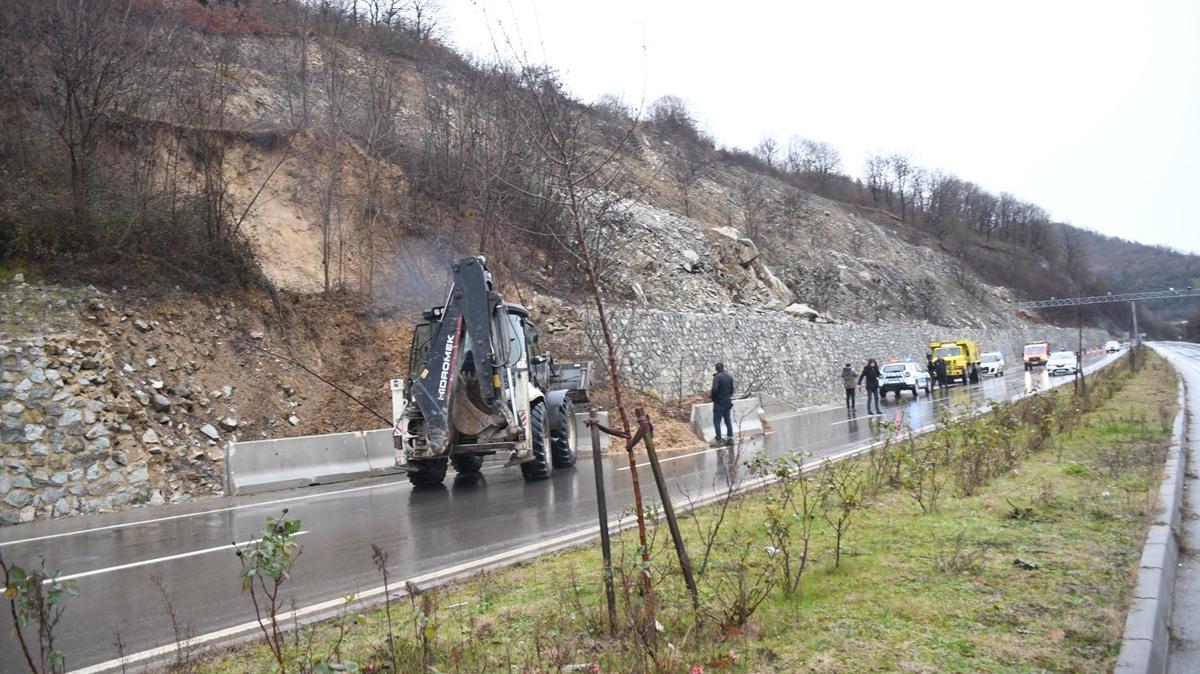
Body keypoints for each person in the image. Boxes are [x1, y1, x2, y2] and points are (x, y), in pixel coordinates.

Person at [710, 362, 734, 447]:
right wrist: (727, 397)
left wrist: (713, 398)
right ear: (723, 368)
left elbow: (715, 389)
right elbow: (732, 390)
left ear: (716, 368)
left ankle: (719, 439)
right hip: (727, 402)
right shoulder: (729, 377)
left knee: (717, 421)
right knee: (727, 420)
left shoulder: (717, 377)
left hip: (719, 403)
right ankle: (730, 438)